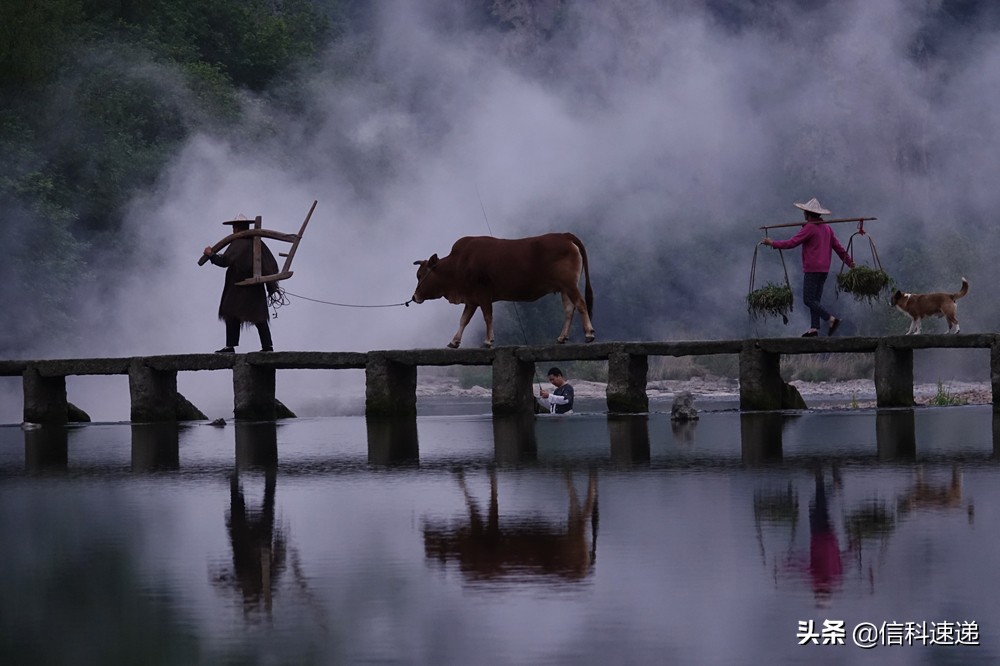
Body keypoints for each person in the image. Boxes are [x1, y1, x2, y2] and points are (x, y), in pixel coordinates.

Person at [761, 198, 855, 337]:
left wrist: (772, 243)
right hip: (824, 270)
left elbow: (791, 243)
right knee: (815, 301)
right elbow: (839, 249)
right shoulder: (827, 228)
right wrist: (850, 262)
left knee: (808, 300)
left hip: (813, 269)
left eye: (805, 212)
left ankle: (831, 319)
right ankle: (814, 328)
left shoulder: (810, 228)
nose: (804, 214)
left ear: (808, 213)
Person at [203, 217, 279, 353]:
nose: (233, 230)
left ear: (237, 228)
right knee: (258, 315)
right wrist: (270, 285)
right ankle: (267, 347)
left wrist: (211, 255)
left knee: (231, 312)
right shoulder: (257, 242)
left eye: (234, 227)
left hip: (238, 287)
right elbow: (270, 265)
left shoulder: (238, 243)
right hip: (255, 286)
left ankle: (230, 346)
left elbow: (224, 261)